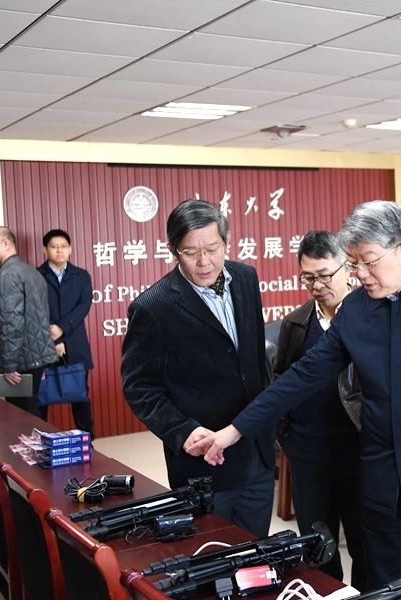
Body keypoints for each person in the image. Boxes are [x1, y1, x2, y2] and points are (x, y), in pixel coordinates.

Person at [188, 201, 401, 600]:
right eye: (353, 263)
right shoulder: (359, 309)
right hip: (384, 475)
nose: (359, 274)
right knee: (385, 587)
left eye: (368, 262)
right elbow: (302, 376)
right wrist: (234, 430)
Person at [120, 199, 275, 538]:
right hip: (204, 462)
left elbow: (253, 363)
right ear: (172, 250)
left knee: (257, 553)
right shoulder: (153, 307)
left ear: (226, 241)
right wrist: (182, 430)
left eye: (213, 249)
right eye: (191, 252)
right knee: (211, 553)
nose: (204, 262)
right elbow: (140, 388)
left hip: (256, 451)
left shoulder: (245, 278)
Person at [275, 230, 366, 588]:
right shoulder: (296, 323)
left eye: (325, 275)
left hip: (359, 453)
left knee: (366, 546)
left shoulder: (370, 316)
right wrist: (288, 437)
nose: (317, 285)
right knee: (318, 549)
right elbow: (280, 381)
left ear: (347, 268)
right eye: (308, 277)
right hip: (307, 454)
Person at [0, 226, 57, 417]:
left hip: (19, 362)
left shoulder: (8, 275)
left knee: (18, 418)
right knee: (31, 413)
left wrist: (9, 366)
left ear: (5, 243)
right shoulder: (30, 271)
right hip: (33, 358)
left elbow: (10, 324)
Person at [37, 229, 95, 436]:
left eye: (63, 246)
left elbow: (84, 305)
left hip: (75, 343)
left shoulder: (81, 275)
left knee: (80, 396)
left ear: (70, 249)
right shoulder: (36, 276)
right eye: (54, 246)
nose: (59, 250)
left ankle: (87, 440)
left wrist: (61, 330)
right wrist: (53, 339)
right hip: (44, 343)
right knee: (41, 397)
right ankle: (39, 441)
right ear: (45, 249)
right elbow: (35, 309)